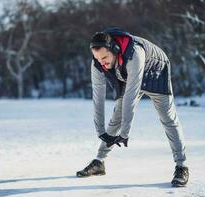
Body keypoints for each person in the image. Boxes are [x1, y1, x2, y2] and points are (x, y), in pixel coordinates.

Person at [76, 27, 189, 187]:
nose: (103, 63)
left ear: (114, 49)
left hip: (155, 71)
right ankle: (99, 162)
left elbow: (131, 96)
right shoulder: (98, 63)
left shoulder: (135, 53)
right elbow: (98, 97)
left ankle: (181, 166)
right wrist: (100, 131)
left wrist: (125, 132)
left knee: (168, 118)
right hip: (128, 73)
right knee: (116, 118)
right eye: (99, 59)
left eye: (105, 57)